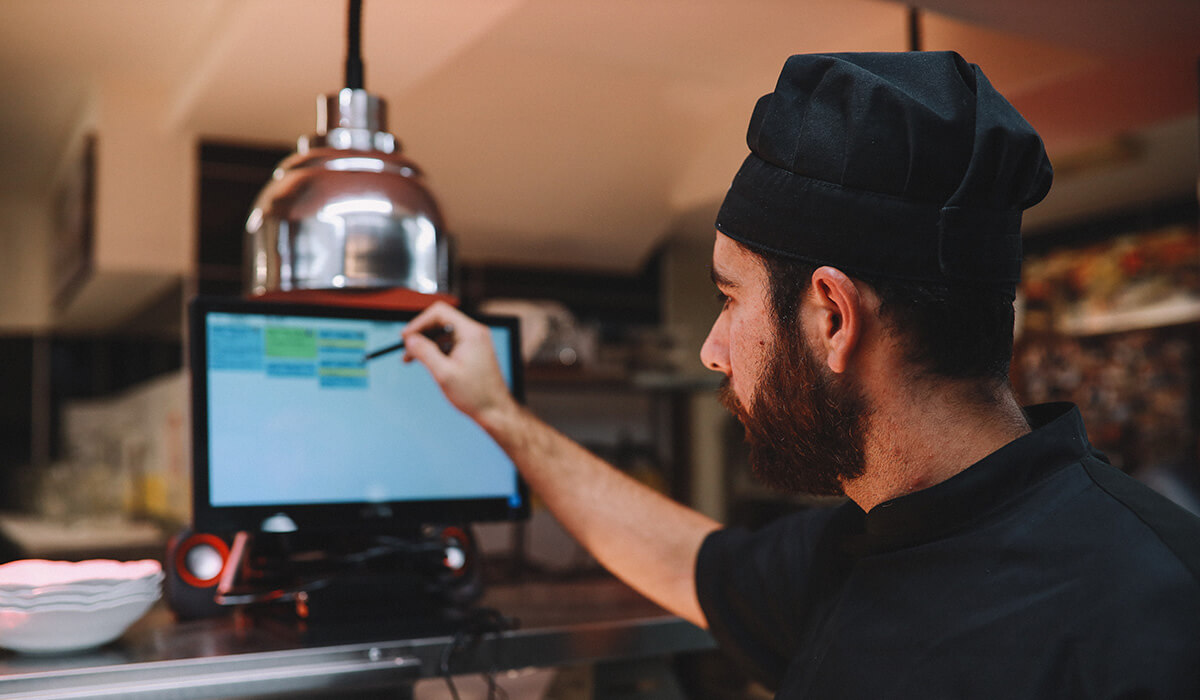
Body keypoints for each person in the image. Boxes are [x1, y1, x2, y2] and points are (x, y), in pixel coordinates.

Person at [402, 51, 1200, 698]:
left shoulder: (1159, 612)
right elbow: (685, 560)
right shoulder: (860, 545)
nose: (713, 349)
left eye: (727, 297)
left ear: (831, 317)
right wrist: (498, 410)